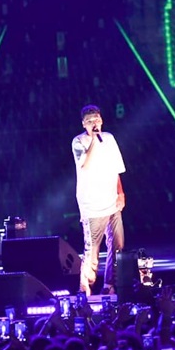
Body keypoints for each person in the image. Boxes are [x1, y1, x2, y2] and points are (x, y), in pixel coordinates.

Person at [72, 104, 126, 296]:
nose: (94, 123)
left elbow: (116, 169)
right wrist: (94, 139)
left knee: (117, 245)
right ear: (84, 124)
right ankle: (85, 287)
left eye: (97, 119)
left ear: (101, 120)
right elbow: (84, 164)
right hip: (92, 206)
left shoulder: (109, 138)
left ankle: (110, 284)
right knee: (92, 250)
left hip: (112, 202)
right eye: (90, 121)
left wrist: (121, 193)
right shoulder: (78, 141)